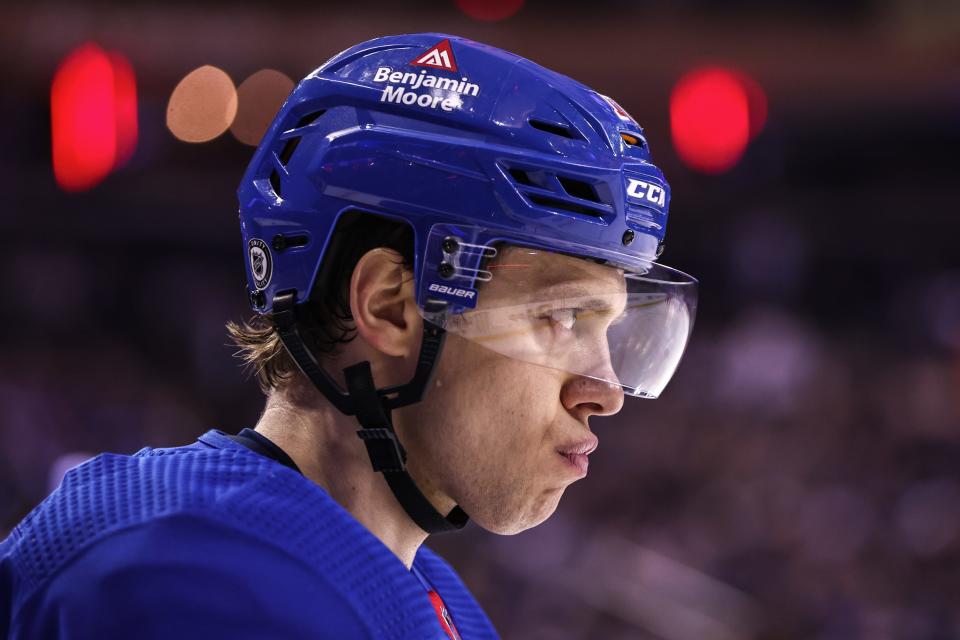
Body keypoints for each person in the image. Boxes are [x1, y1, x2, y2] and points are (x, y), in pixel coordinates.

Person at [0, 33, 697, 639]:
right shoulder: (200, 586)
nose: (604, 390)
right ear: (392, 306)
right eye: (560, 317)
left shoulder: (422, 590)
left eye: (606, 328)